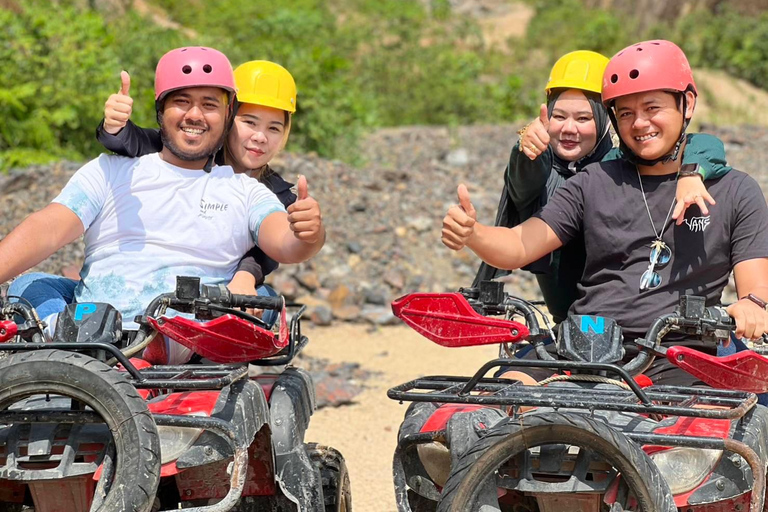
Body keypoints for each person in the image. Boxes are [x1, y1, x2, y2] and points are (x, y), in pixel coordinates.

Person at [443, 40, 768, 386]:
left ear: (686, 103)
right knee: (499, 397)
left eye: (652, 107)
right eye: (626, 113)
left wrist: (751, 306)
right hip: (584, 344)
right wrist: (473, 233)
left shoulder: (736, 191)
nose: (640, 123)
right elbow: (520, 244)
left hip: (680, 353)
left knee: (680, 435)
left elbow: (754, 289)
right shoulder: (593, 181)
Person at [0, 47, 325, 363]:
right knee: (30, 285)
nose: (195, 115)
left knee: (262, 300)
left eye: (209, 104)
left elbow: (285, 241)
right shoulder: (112, 169)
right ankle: (66, 337)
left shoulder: (252, 191)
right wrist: (114, 125)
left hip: (187, 321)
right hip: (99, 322)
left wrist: (308, 232)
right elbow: (48, 226)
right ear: (160, 110)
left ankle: (158, 346)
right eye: (182, 101)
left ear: (225, 114)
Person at [474, 50, 732, 325]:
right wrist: (525, 147)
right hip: (573, 319)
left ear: (606, 118)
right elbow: (522, 179)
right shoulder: (541, 165)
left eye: (583, 119)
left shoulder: (617, 164)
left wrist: (691, 173)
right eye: (559, 117)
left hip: (625, 318)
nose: (569, 129)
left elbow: (703, 143)